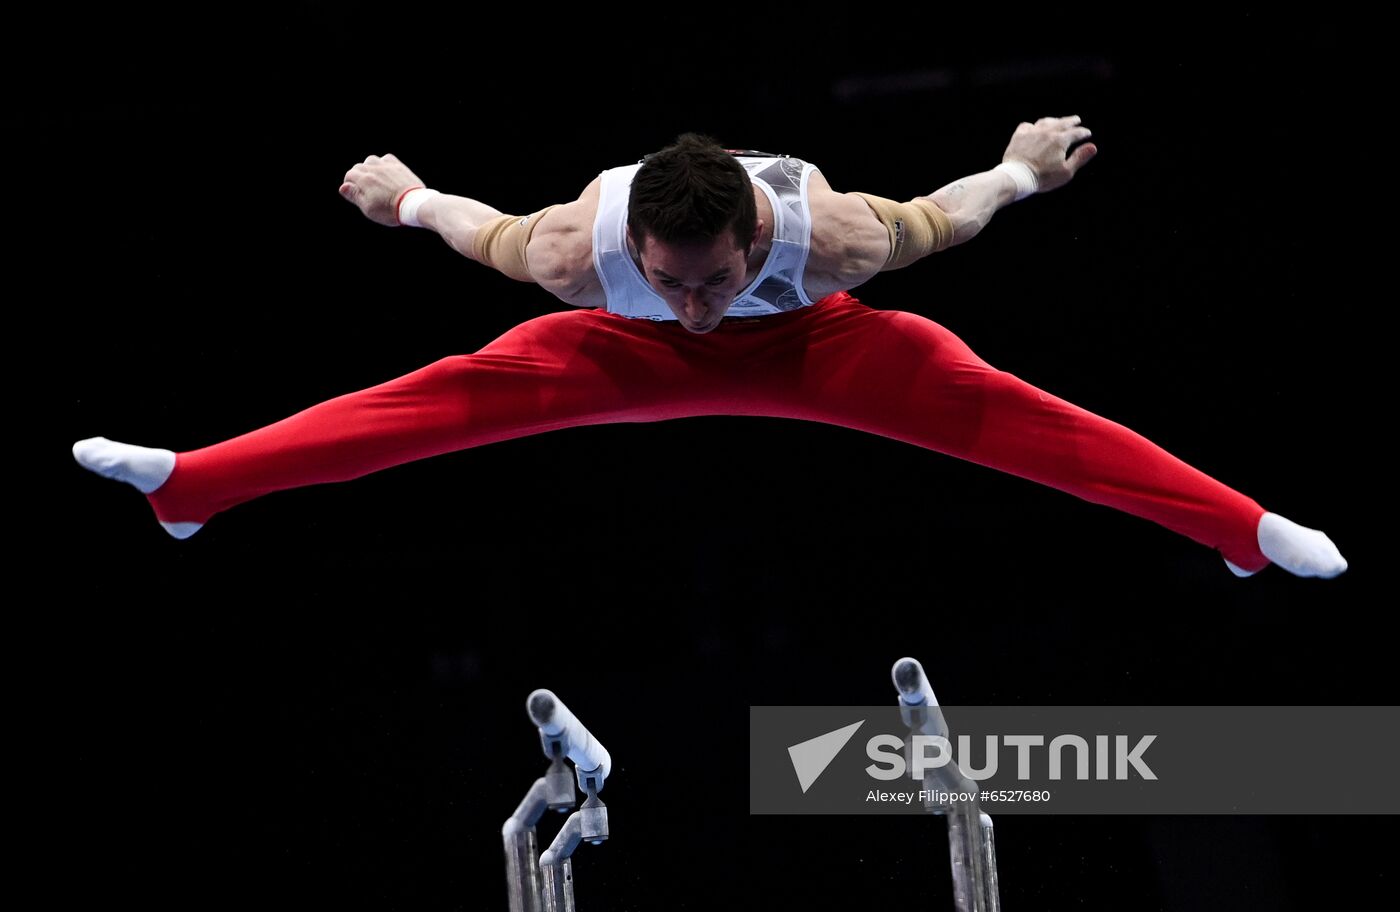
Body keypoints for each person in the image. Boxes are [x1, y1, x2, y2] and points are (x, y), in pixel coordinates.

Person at [72, 116, 1346, 578]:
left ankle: (1232, 530)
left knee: (1002, 410)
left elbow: (952, 215)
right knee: (437, 400)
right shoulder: (581, 251)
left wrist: (1016, 169)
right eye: (673, 284)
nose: (692, 306)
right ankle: (194, 487)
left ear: (754, 237)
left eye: (711, 282)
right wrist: (402, 195)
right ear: (641, 250)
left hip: (814, 345)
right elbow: (476, 230)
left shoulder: (833, 238)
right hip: (603, 353)